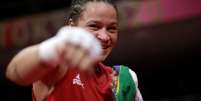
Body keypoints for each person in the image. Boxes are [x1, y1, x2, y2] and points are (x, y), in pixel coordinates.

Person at [6, 0, 143, 101]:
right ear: (72, 27)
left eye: (112, 28)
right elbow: (15, 73)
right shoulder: (59, 66)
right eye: (94, 26)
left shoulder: (122, 80)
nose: (105, 36)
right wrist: (52, 48)